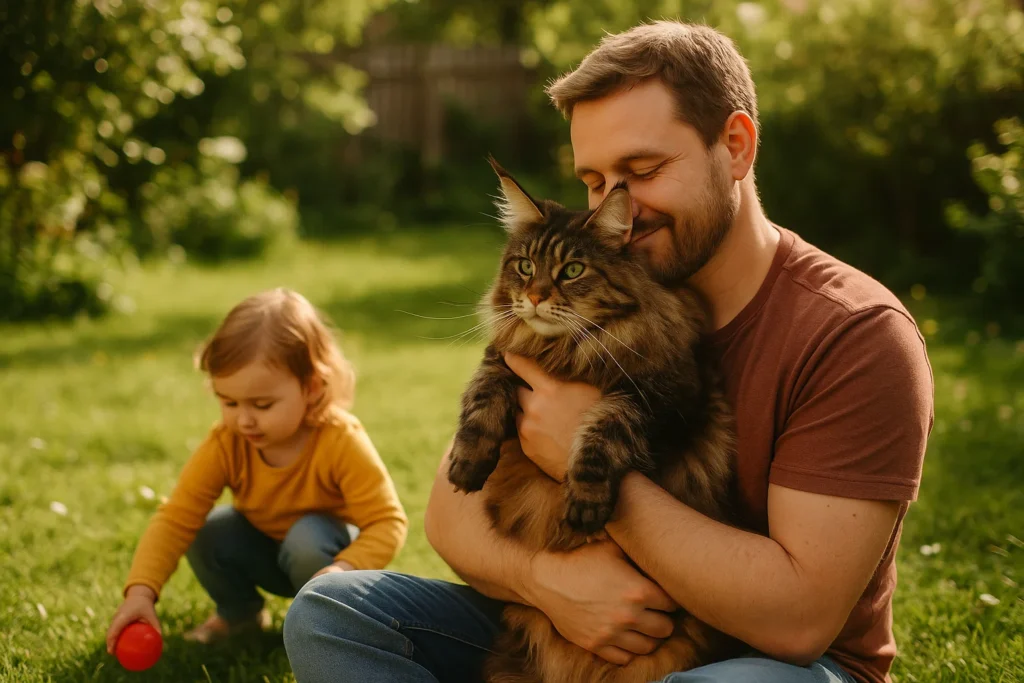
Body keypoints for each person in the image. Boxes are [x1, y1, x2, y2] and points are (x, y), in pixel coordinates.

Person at [283, 20, 932, 683]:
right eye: (594, 181)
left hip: (756, 659)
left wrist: (582, 463)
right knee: (331, 613)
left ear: (735, 146)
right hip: (555, 629)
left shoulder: (856, 334)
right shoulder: (583, 314)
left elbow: (797, 621)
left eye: (642, 170)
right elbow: (451, 515)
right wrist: (549, 583)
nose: (615, 207)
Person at [105, 288, 407, 652]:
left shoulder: (340, 438)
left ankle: (328, 627)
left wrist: (344, 569)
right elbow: (175, 518)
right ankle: (240, 617)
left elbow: (388, 522)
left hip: (324, 559)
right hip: (264, 550)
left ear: (311, 388)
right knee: (208, 530)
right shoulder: (227, 442)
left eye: (262, 404)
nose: (244, 419)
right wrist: (141, 591)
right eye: (228, 401)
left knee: (306, 537)